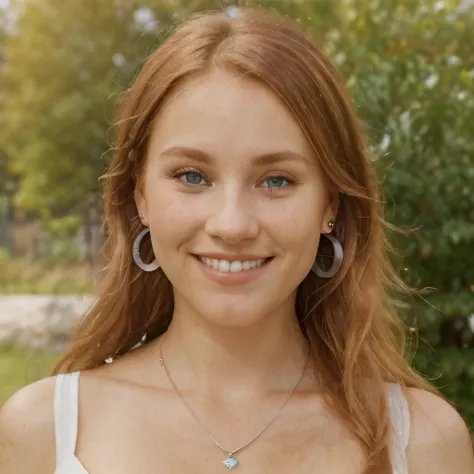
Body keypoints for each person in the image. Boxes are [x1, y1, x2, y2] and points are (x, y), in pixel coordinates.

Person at [1, 7, 473, 474]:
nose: (232, 225)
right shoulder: (41, 433)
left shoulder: (423, 443)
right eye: (192, 176)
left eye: (276, 181)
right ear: (140, 195)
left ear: (330, 204)